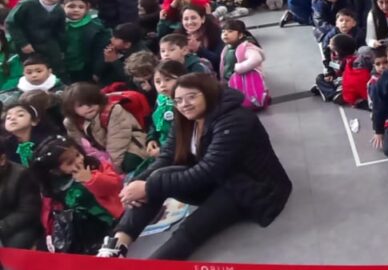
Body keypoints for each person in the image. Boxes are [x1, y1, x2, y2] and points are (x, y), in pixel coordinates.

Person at [97, 73, 292, 260]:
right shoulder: (185, 117)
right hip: (215, 180)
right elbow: (167, 156)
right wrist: (139, 182)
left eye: (191, 97)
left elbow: (208, 170)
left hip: (246, 186)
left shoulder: (235, 120)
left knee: (190, 227)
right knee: (157, 176)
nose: (184, 105)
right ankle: (116, 247)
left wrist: (148, 186)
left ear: (208, 92)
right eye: (178, 100)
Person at [30, 135, 123, 254]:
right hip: (84, 235)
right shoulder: (54, 190)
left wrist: (90, 179)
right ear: (56, 171)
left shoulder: (93, 165)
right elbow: (50, 216)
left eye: (78, 155)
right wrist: (51, 235)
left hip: (112, 220)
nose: (79, 161)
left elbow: (115, 185)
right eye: (70, 162)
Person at [8, 0, 67, 78]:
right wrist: (23, 43)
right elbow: (11, 23)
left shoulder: (59, 11)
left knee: (56, 67)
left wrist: (61, 48)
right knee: (32, 69)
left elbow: (60, 31)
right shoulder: (27, 5)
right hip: (28, 44)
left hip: (48, 43)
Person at [219, 20, 268, 111]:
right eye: (223, 32)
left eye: (230, 31)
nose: (225, 34)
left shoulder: (245, 47)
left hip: (242, 80)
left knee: (243, 96)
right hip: (230, 80)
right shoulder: (227, 48)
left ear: (240, 35)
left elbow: (256, 59)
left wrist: (239, 68)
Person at [0, 148, 43, 249]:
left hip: (20, 227)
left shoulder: (22, 174)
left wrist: (1, 226)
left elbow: (28, 211)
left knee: (14, 249)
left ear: (2, 159)